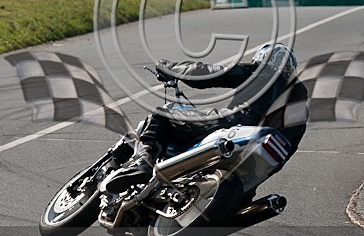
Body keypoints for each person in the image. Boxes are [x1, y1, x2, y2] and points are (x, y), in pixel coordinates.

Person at [105, 43, 307, 193]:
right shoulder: (300, 107)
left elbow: (210, 74)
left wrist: (169, 67)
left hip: (235, 126)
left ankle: (143, 163)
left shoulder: (264, 73)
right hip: (253, 167)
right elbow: (286, 151)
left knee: (162, 116)